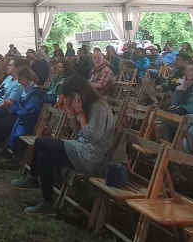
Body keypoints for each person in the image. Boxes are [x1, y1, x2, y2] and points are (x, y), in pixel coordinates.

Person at [14, 75, 125, 215]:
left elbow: (92, 137)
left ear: (78, 93)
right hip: (80, 148)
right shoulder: (88, 105)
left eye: (70, 96)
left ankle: (33, 178)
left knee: (40, 142)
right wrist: (72, 115)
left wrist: (80, 114)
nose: (70, 100)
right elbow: (79, 133)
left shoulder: (99, 107)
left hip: (91, 157)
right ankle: (46, 202)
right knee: (44, 155)